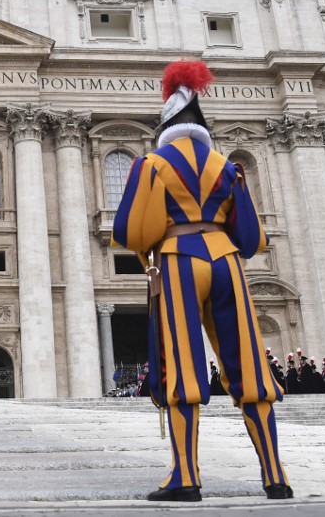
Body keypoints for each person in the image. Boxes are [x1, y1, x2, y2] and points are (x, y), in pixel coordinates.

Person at [113, 59, 291, 502]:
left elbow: (129, 232)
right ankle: (275, 475)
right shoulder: (229, 168)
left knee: (183, 364)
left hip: (178, 261)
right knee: (248, 364)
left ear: (166, 124)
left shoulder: (151, 164)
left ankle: (185, 477)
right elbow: (251, 238)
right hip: (227, 262)